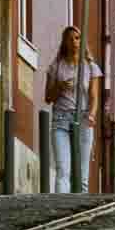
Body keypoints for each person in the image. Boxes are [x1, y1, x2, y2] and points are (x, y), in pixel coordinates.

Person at [42, 25, 102, 193]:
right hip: (60, 119)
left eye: (77, 38)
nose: (74, 42)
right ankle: (60, 206)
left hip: (82, 118)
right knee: (63, 170)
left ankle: (81, 210)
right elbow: (48, 98)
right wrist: (60, 86)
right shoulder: (56, 66)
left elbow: (94, 96)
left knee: (82, 174)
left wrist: (92, 114)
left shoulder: (91, 67)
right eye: (70, 39)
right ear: (64, 43)